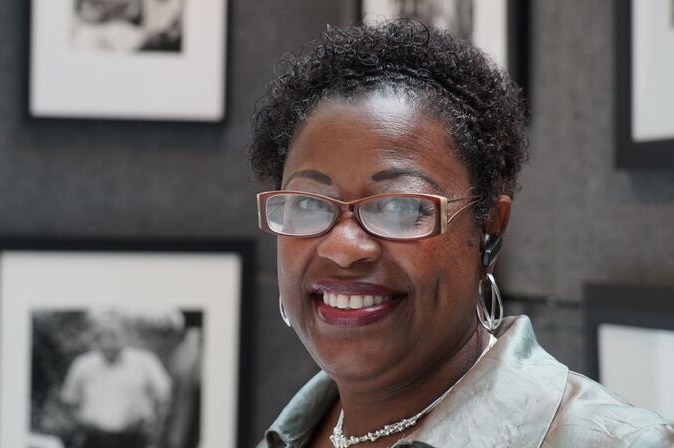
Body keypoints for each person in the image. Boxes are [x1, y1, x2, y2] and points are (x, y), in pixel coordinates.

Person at [249, 20, 674, 447]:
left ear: (490, 227)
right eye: (307, 204)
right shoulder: (293, 434)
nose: (343, 248)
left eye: (400, 207)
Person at [60, 314, 172, 448]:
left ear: (125, 336)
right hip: (94, 440)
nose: (108, 343)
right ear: (95, 339)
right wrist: (82, 426)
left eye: (113, 336)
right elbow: (69, 401)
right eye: (102, 337)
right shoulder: (82, 364)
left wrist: (156, 436)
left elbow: (165, 398)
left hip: (134, 439)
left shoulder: (145, 362)